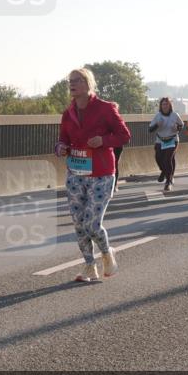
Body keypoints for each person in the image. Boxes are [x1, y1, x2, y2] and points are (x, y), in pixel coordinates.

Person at [57, 68, 131, 281]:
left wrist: (103, 141)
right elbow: (62, 139)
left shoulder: (105, 109)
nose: (72, 84)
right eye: (70, 81)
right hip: (75, 173)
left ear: (88, 83)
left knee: (91, 223)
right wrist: (61, 147)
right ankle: (90, 265)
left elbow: (124, 135)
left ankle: (107, 253)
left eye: (77, 80)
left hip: (101, 173)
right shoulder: (68, 113)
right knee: (79, 224)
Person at [148, 97, 184, 191]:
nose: (165, 106)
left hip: (172, 140)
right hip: (160, 140)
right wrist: (157, 125)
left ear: (170, 105)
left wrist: (177, 128)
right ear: (161, 106)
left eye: (167, 104)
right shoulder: (158, 116)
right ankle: (164, 171)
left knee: (168, 159)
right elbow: (150, 129)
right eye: (163, 104)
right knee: (158, 158)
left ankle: (168, 181)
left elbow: (181, 125)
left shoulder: (175, 115)